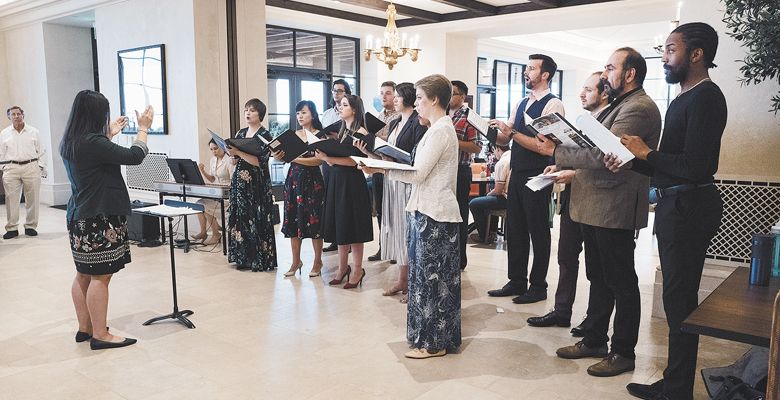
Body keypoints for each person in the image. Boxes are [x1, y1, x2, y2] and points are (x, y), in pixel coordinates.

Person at [612, 23, 727, 400]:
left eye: (671, 49)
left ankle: (678, 390)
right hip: (677, 204)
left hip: (690, 206)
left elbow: (696, 166)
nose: (664, 57)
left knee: (679, 302)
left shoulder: (707, 97)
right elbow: (667, 165)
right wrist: (632, 160)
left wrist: (646, 153)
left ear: (696, 54)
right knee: (676, 301)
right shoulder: (681, 98)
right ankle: (675, 383)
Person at [540, 47, 660, 378]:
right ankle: (594, 339)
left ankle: (623, 352)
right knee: (599, 278)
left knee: (621, 281)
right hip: (594, 206)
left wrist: (558, 149)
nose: (605, 74)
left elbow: (603, 154)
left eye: (610, 68)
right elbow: (592, 147)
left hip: (615, 207)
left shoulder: (639, 107)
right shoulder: (618, 104)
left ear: (630, 73)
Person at [360, 74, 461, 359]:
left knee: (433, 280)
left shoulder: (441, 130)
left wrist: (379, 169)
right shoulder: (435, 128)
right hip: (425, 208)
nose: (416, 103)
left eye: (419, 98)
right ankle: (429, 338)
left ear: (435, 100)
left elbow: (419, 172)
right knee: (423, 278)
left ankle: (434, 343)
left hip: (436, 212)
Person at [60, 90, 153, 350]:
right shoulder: (93, 142)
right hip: (99, 217)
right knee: (101, 276)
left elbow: (94, 158)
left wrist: (109, 134)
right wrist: (143, 129)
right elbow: (135, 156)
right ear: (96, 114)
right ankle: (101, 334)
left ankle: (85, 328)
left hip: (79, 215)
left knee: (83, 274)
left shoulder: (71, 140)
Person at [526, 71, 611, 335]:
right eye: (582, 89)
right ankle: (562, 311)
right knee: (566, 257)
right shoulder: (585, 120)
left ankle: (593, 321)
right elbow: (578, 154)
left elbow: (605, 162)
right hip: (574, 199)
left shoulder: (610, 121)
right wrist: (559, 163)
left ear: (604, 92)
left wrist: (572, 173)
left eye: (588, 89)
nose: (582, 94)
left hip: (598, 201)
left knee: (597, 268)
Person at [487, 54, 565, 304]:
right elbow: (505, 139)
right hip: (517, 173)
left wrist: (512, 133)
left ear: (545, 75)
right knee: (516, 228)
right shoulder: (521, 102)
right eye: (526, 68)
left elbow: (546, 146)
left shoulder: (554, 105)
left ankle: (538, 285)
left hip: (538, 175)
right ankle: (516, 280)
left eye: (531, 69)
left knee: (538, 231)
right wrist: (490, 132)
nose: (526, 72)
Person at [355, 82, 426, 301]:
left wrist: (390, 159)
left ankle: (413, 284)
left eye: (396, 96)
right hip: (392, 182)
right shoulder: (395, 122)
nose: (393, 100)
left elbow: (414, 157)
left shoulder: (418, 122)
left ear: (408, 97)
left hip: (407, 182)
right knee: (397, 230)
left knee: (408, 233)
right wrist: (367, 151)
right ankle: (402, 279)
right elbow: (387, 156)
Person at [315, 94, 373, 289]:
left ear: (355, 110)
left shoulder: (361, 131)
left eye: (344, 105)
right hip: (337, 180)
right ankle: (341, 268)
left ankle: (357, 269)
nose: (340, 107)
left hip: (353, 182)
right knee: (341, 226)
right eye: (340, 105)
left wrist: (327, 159)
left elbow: (354, 161)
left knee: (354, 228)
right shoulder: (341, 130)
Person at [273, 100, 326, 278]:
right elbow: (285, 158)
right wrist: (279, 156)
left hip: (313, 182)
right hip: (293, 180)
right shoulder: (294, 134)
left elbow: (319, 160)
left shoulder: (320, 135)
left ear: (313, 114)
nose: (300, 116)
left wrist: (294, 159)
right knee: (293, 221)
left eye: (303, 112)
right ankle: (296, 261)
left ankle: (318, 261)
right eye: (298, 113)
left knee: (314, 221)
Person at [227, 98, 278, 272]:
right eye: (246, 110)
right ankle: (242, 257)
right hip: (239, 182)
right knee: (240, 216)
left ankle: (258, 258)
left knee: (255, 217)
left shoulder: (265, 136)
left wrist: (239, 152)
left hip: (257, 183)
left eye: (252, 110)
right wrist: (232, 156)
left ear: (260, 114)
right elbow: (235, 160)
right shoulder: (241, 133)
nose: (248, 113)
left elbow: (259, 162)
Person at [448, 80, 481, 270]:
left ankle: (460, 259)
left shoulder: (469, 117)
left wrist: (451, 140)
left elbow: (476, 147)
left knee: (459, 215)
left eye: (453, 93)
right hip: (444, 170)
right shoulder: (442, 114)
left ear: (462, 96)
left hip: (461, 170)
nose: (450, 96)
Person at [367, 81, 399, 262]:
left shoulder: (400, 117)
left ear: (395, 96)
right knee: (380, 209)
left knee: (394, 210)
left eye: (387, 93)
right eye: (381, 93)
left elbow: (396, 142)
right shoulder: (379, 116)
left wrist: (380, 138)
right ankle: (383, 246)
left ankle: (395, 247)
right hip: (378, 167)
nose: (384, 96)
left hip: (393, 168)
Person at [0, 106, 43, 239]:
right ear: (9, 117)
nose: (16, 116)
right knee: (11, 199)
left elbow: (41, 150)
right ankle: (12, 228)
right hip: (11, 168)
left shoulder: (34, 131)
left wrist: (40, 166)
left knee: (32, 198)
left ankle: (30, 226)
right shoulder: (4, 133)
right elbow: (1, 152)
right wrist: (3, 168)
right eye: (13, 114)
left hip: (31, 166)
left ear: (23, 115)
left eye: (18, 113)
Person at [321, 79, 352, 253]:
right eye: (334, 91)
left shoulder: (351, 114)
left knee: (342, 201)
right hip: (327, 159)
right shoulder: (326, 114)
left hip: (343, 160)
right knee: (330, 199)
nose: (336, 94)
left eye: (340, 91)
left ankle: (346, 240)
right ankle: (335, 239)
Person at [192, 139, 234, 245]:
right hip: (216, 193)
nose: (214, 151)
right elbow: (212, 179)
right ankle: (203, 232)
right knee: (198, 204)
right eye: (211, 149)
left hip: (227, 195)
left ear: (222, 147)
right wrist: (202, 171)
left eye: (216, 148)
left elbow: (233, 181)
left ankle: (216, 234)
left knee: (204, 205)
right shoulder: (213, 160)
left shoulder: (229, 160)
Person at [468, 144, 510, 244]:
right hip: (515, 197)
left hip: (505, 199)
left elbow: (498, 190)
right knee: (490, 199)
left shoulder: (502, 162)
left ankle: (483, 235)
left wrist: (488, 194)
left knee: (474, 203)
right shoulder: (514, 157)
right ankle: (492, 232)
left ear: (498, 149)